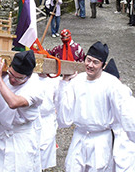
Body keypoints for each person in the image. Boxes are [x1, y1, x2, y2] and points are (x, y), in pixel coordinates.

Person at [56, 41, 135, 172]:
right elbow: (65, 114)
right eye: (88, 60)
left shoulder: (112, 84)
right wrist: (64, 84)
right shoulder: (77, 81)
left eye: (95, 62)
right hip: (79, 136)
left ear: (103, 66)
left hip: (100, 139)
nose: (90, 65)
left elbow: (126, 111)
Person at [0, 50, 43, 171]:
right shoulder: (4, 77)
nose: (13, 80)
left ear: (28, 76)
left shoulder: (35, 87)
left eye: (19, 79)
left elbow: (13, 103)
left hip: (21, 138)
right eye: (11, 74)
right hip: (1, 133)